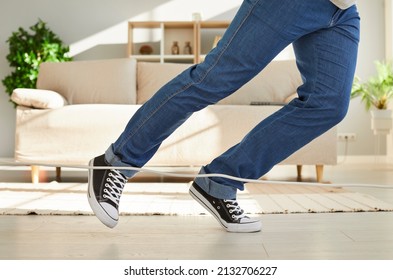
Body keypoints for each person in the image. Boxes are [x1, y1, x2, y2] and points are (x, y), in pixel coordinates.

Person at [87, 0, 359, 233]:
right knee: (213, 79)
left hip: (343, 10)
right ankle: (114, 162)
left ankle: (219, 182)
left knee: (328, 104)